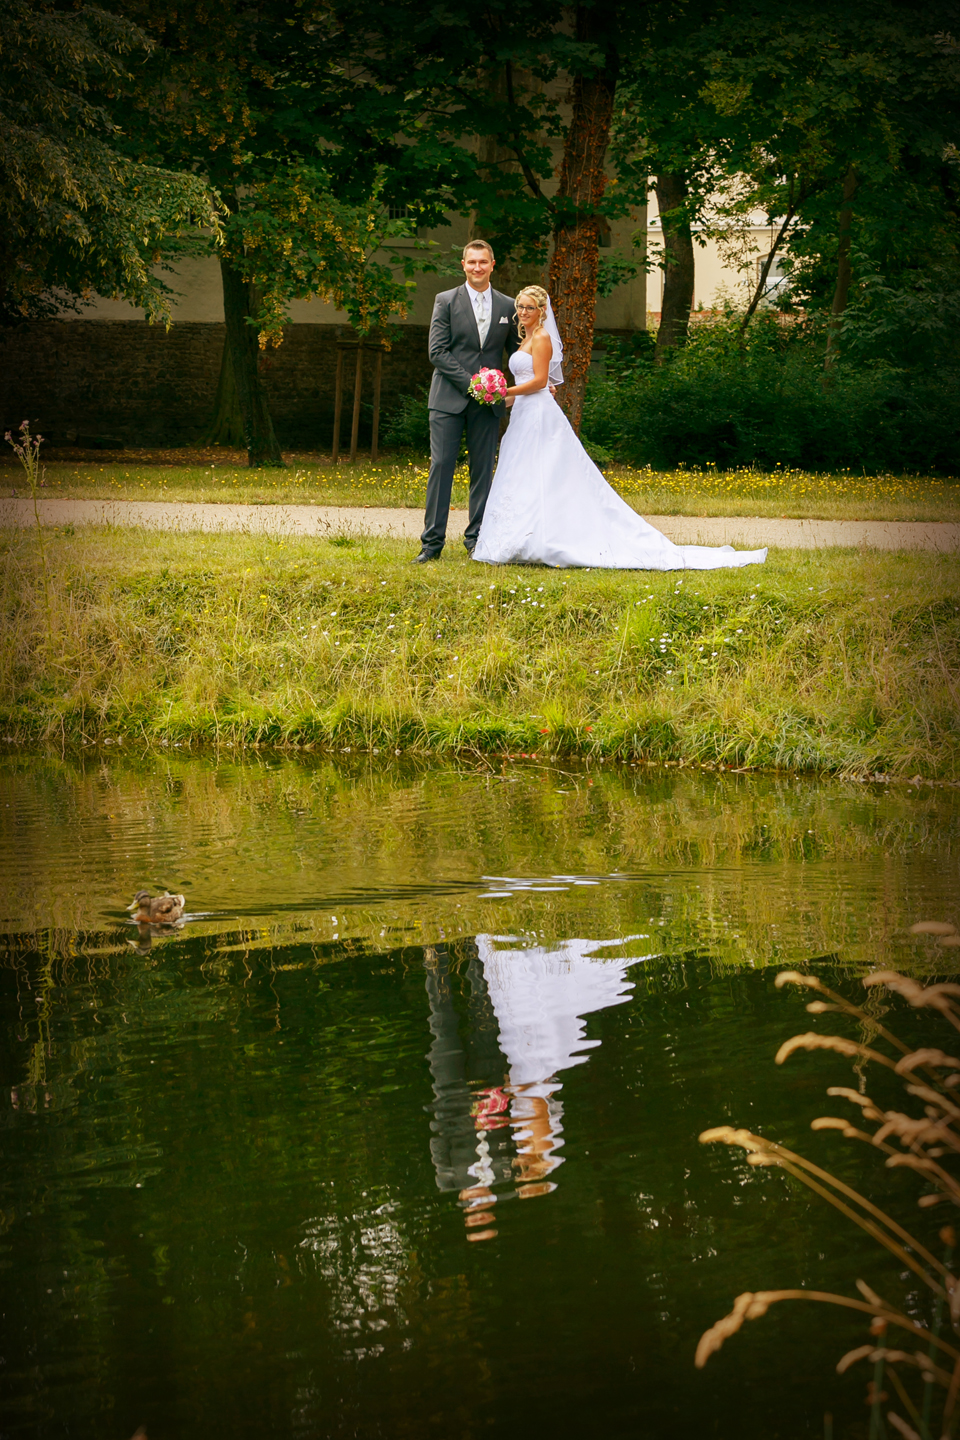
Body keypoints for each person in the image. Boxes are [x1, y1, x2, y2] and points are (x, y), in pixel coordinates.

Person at [472, 286, 768, 570]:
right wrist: (498, 399)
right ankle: (519, 538)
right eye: (520, 307)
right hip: (524, 413)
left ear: (541, 311)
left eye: (529, 307)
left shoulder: (541, 338)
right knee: (522, 472)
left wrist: (504, 391)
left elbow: (539, 382)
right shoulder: (524, 339)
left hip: (539, 417)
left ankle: (544, 539)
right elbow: (536, 386)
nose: (523, 311)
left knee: (544, 472)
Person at [413, 240, 519, 563]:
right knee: (442, 467)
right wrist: (473, 383)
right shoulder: (445, 301)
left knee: (483, 471)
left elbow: (517, 353)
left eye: (482, 262)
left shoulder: (507, 306)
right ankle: (432, 544)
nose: (477, 267)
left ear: (492, 264)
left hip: (488, 404)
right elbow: (437, 351)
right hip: (448, 399)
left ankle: (477, 540)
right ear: (463, 265)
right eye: (471, 262)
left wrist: (531, 383)